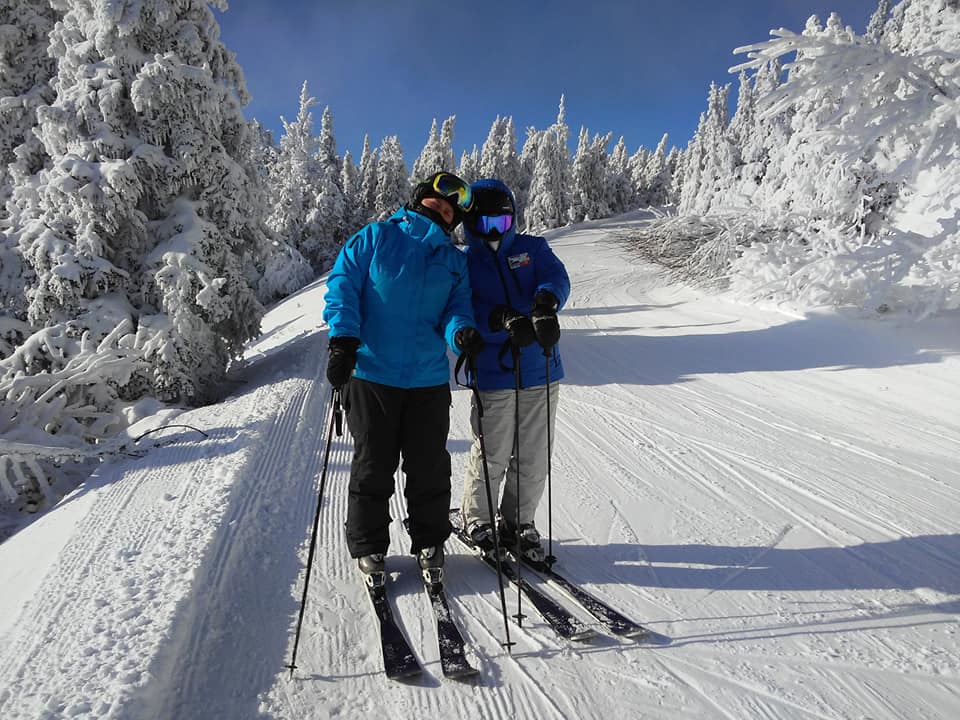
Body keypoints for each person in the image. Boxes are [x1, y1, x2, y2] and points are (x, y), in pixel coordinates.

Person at [323, 171, 484, 582]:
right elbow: (343, 287)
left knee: (429, 466)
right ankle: (370, 547)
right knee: (372, 466)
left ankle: (430, 541)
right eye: (438, 203)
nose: (444, 213)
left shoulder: (454, 261)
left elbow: (456, 308)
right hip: (372, 374)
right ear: (419, 198)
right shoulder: (375, 237)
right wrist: (343, 340)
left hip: (427, 381)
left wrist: (460, 331)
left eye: (451, 212)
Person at [458, 178, 570, 562]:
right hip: (493, 372)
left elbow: (556, 276)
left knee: (535, 454)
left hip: (540, 368)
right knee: (493, 451)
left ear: (512, 222)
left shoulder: (531, 248)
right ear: (470, 225)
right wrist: (498, 318)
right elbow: (461, 307)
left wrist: (545, 302)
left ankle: (518, 521)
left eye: (501, 225)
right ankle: (478, 517)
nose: (493, 233)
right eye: (485, 225)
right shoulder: (465, 261)